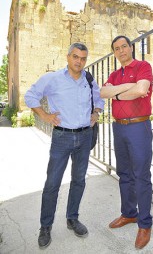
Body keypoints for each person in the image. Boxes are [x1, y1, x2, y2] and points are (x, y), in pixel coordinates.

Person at [25, 42, 104, 249]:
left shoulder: (88, 79)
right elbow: (30, 96)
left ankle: (72, 219)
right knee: (52, 183)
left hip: (85, 136)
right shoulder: (53, 79)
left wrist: (96, 112)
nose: (79, 61)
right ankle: (45, 226)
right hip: (62, 138)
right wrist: (45, 115)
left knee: (79, 180)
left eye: (83, 58)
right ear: (68, 57)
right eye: (75, 57)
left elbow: (99, 97)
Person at [100, 35, 153, 250]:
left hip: (138, 127)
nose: (121, 51)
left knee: (141, 175)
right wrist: (126, 87)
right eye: (117, 48)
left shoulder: (143, 66)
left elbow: (141, 90)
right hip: (118, 126)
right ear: (114, 52)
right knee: (124, 174)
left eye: (124, 46)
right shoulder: (114, 73)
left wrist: (118, 94)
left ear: (131, 47)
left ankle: (145, 224)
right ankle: (129, 214)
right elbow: (103, 92)